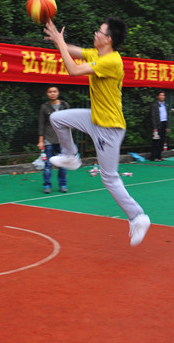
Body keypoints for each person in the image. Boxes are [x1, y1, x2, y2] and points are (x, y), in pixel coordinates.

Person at [43, 16, 150, 246]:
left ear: (108, 39)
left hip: (109, 128)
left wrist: (60, 43)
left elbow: (73, 70)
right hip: (95, 118)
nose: (95, 33)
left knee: (109, 177)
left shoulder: (111, 61)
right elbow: (74, 51)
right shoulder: (96, 54)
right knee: (57, 118)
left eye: (99, 31)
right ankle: (70, 156)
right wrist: (58, 40)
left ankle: (137, 217)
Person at [37, 86, 70, 193]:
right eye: (50, 92)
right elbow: (41, 124)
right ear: (47, 94)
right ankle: (47, 186)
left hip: (62, 139)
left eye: (54, 91)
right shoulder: (44, 107)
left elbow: (70, 121)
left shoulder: (64, 105)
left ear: (58, 93)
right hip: (49, 139)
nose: (52, 93)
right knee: (48, 164)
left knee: (63, 164)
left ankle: (63, 185)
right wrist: (41, 140)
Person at [150, 90, 169, 161]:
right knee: (156, 141)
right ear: (158, 96)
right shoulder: (155, 105)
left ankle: (159, 155)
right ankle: (154, 156)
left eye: (163, 95)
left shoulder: (164, 105)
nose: (162, 96)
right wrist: (154, 127)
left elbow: (166, 115)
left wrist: (167, 126)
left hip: (164, 123)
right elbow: (153, 116)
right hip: (158, 124)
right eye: (160, 95)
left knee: (162, 140)